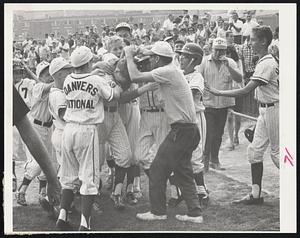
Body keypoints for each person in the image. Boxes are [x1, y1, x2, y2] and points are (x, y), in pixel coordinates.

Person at [125, 41, 203, 223]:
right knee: (183, 171)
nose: (150, 60)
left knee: (158, 169)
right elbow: (152, 57)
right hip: (188, 130)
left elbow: (135, 76)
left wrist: (129, 54)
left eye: (152, 57)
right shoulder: (172, 69)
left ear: (158, 59)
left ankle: (158, 211)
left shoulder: (166, 71)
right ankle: (195, 213)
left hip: (181, 131)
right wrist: (142, 49)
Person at [205, 26, 279, 205]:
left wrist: (219, 92)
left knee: (278, 155)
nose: (249, 43)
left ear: (263, 41)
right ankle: (256, 195)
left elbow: (245, 89)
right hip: (265, 109)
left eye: (253, 39)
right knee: (254, 152)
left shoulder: (268, 62)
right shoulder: (265, 60)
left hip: (274, 109)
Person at [55, 46, 121, 231]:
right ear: (88, 63)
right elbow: (111, 97)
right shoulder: (96, 79)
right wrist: (114, 86)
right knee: (89, 179)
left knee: (68, 177)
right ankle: (85, 224)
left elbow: (82, 79)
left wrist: (93, 74)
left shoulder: (68, 79)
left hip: (68, 129)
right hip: (86, 130)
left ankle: (62, 217)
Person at [168, 43, 209, 208]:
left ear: (194, 59)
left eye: (185, 56)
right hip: (179, 121)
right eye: (181, 55)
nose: (181, 58)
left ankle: (201, 191)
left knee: (195, 157)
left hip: (195, 119)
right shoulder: (178, 74)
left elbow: (189, 94)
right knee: (173, 156)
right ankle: (176, 192)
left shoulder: (196, 76)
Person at [16, 61, 57, 207]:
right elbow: (46, 84)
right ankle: (21, 190)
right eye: (46, 74)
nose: (50, 76)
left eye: (51, 73)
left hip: (49, 127)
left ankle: (42, 194)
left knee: (51, 161)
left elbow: (47, 82)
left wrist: (31, 71)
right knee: (39, 162)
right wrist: (61, 78)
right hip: (35, 126)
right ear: (40, 77)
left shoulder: (45, 84)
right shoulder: (39, 87)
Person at [198, 37, 242, 171]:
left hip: (223, 104)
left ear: (225, 51)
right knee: (209, 133)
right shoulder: (204, 62)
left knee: (218, 134)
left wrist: (228, 66)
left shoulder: (231, 62)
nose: (218, 53)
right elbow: (198, 78)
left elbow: (239, 78)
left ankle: (214, 159)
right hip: (208, 103)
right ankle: (204, 161)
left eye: (221, 51)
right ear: (212, 49)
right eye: (216, 50)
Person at [225, 45, 244, 150]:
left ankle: (236, 134)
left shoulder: (238, 62)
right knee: (229, 117)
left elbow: (240, 77)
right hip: (229, 92)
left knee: (238, 118)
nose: (227, 55)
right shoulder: (223, 63)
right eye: (225, 53)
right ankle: (231, 141)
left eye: (229, 53)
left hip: (238, 91)